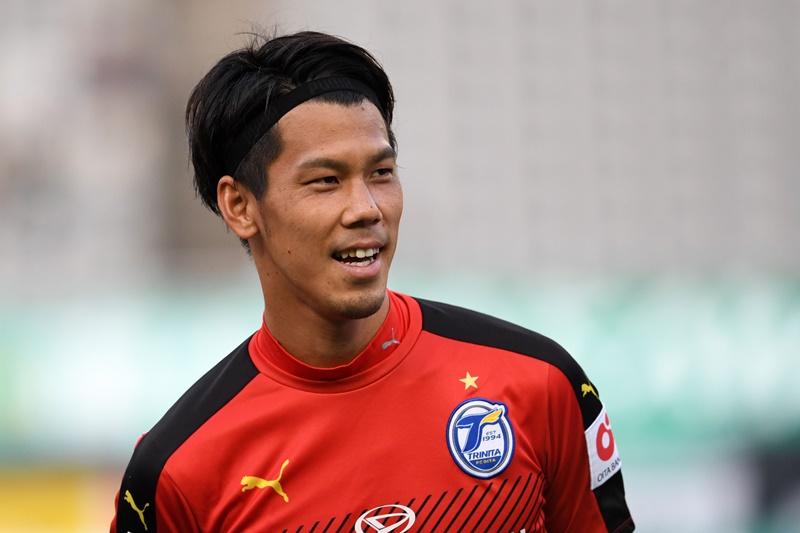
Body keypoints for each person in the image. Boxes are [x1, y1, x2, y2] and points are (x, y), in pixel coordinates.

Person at [111, 30, 635, 532]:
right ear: (240, 206)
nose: (366, 209)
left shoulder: (540, 382)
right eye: (326, 181)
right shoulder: (177, 471)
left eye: (381, 173)